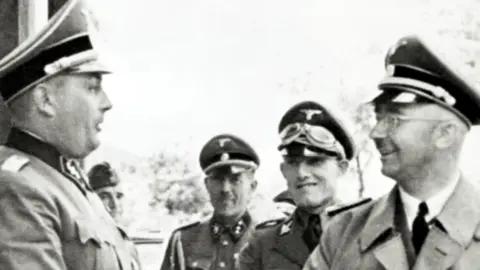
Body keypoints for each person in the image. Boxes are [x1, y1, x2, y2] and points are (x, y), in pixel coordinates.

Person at [303, 35, 480, 270]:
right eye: (379, 117)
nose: (376, 133)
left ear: (445, 134)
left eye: (394, 119)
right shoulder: (342, 233)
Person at [0, 0, 141, 269]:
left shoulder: (67, 183)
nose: (106, 102)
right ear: (45, 101)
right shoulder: (17, 187)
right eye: (92, 87)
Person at [236, 101, 370, 270]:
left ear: (341, 168)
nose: (301, 173)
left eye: (315, 161)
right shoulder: (262, 244)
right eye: (293, 163)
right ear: (283, 170)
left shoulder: (368, 230)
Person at [160, 134, 259, 270]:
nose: (225, 189)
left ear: (252, 187)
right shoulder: (184, 241)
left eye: (235, 180)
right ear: (207, 185)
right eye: (218, 179)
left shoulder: (270, 241)